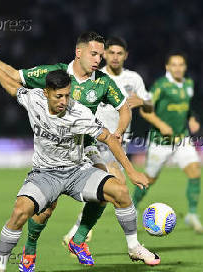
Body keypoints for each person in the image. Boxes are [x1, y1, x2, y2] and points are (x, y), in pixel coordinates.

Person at [0, 43, 159, 272]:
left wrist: (132, 171)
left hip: (77, 170)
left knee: (119, 190)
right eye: (59, 96)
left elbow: (109, 139)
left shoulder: (80, 112)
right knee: (22, 211)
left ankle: (133, 246)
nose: (64, 101)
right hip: (45, 173)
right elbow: (11, 85)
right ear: (46, 93)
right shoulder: (34, 99)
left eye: (67, 95)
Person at [62, 36, 153, 245]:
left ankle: (78, 232)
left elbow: (150, 106)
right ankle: (82, 234)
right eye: (110, 53)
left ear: (125, 56)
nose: (114, 57)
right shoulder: (95, 77)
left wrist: (142, 101)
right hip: (98, 140)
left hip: (121, 141)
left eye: (119, 53)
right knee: (116, 182)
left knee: (106, 187)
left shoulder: (134, 79)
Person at [133, 51, 203, 233]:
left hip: (182, 139)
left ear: (185, 67)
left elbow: (187, 108)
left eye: (181, 65)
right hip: (160, 141)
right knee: (149, 179)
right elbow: (145, 110)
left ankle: (192, 214)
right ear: (167, 67)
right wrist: (161, 124)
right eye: (174, 65)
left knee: (195, 172)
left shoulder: (188, 84)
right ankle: (132, 206)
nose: (178, 68)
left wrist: (191, 119)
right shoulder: (161, 86)